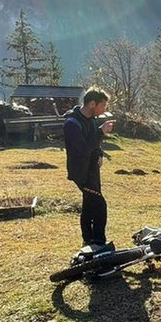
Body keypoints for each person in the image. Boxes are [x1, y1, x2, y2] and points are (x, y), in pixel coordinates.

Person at [63, 88, 114, 251]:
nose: (104, 110)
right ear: (92, 104)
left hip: (92, 170)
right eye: (103, 106)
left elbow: (93, 144)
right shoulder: (72, 124)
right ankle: (99, 242)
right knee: (100, 205)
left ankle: (88, 240)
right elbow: (83, 149)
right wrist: (101, 132)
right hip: (81, 173)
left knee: (89, 204)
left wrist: (99, 153)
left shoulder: (91, 119)